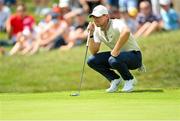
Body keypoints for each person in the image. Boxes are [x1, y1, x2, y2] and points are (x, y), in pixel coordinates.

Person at [87, 5, 142, 93]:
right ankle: (115, 79)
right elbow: (94, 51)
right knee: (92, 60)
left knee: (113, 59)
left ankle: (129, 79)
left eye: (98, 17)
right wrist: (91, 34)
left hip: (134, 56)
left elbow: (126, 32)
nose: (95, 19)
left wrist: (116, 49)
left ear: (107, 16)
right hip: (118, 56)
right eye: (93, 17)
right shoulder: (96, 29)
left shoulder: (116, 23)